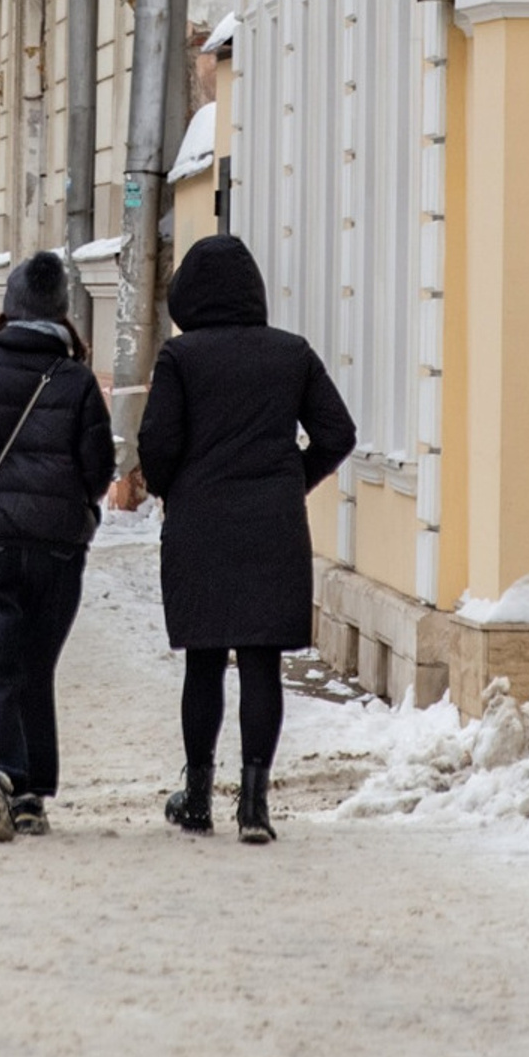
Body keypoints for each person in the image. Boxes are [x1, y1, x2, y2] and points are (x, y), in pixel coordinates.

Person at [137, 234, 356, 844]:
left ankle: (199, 796)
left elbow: (157, 445)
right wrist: (291, 481)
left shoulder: (181, 359)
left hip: (199, 525)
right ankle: (255, 805)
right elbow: (337, 431)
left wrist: (171, 488)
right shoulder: (291, 354)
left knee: (204, 662)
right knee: (263, 662)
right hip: (273, 526)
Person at [0, 251, 113, 842]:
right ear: (62, 310)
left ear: (8, 307)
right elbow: (98, 465)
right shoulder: (77, 377)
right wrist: (79, 507)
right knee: (38, 666)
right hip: (58, 546)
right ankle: (31, 795)